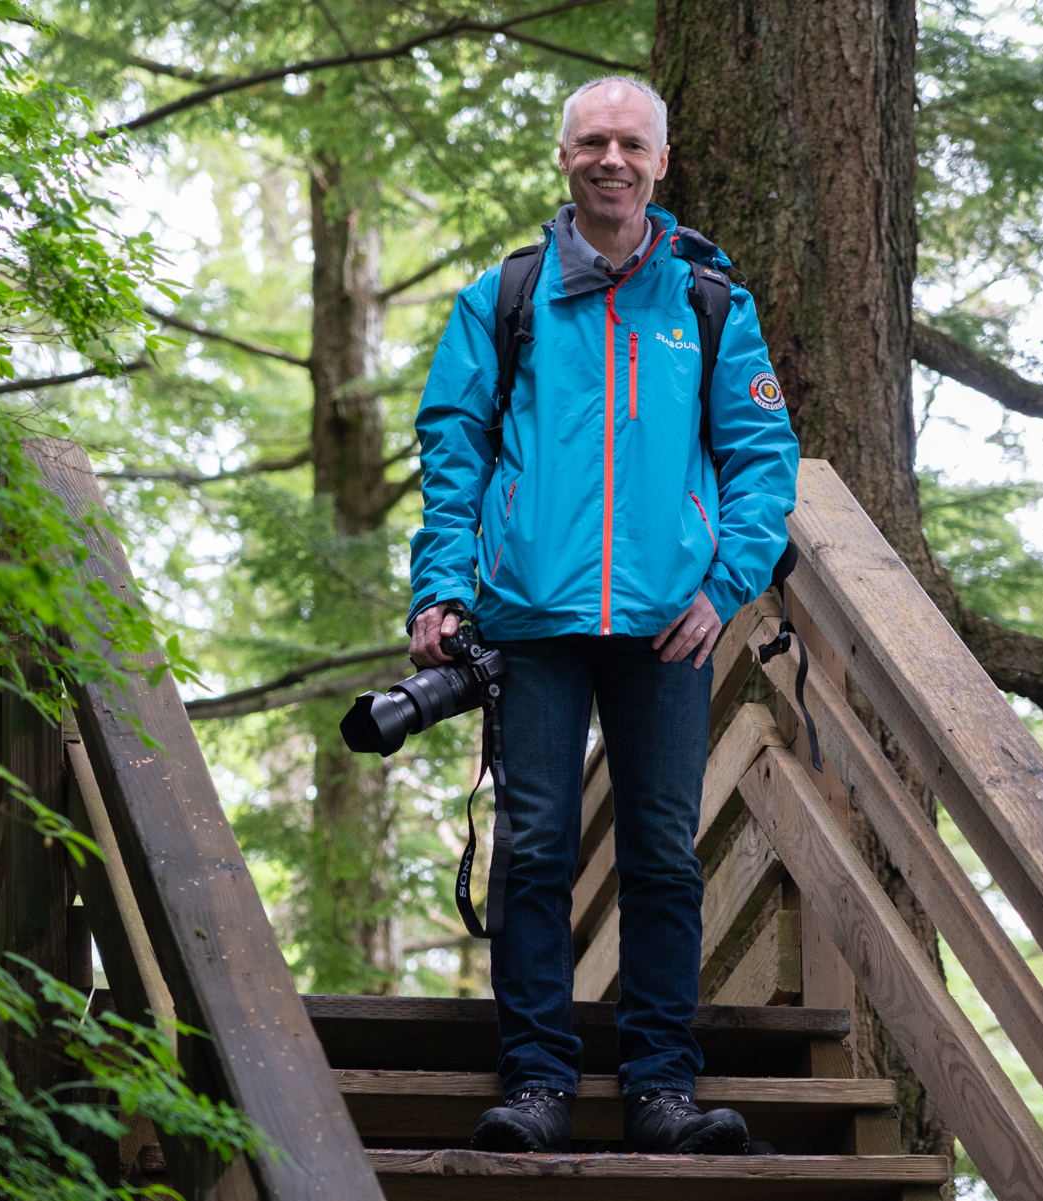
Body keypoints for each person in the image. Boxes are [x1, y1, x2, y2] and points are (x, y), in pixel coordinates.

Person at [407, 75, 800, 1155]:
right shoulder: (507, 295)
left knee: (664, 854)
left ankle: (660, 1088)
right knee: (534, 847)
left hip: (669, 624)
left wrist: (723, 590)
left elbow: (763, 461)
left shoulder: (711, 302)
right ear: (566, 158)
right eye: (593, 143)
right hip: (528, 619)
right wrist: (441, 585)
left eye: (631, 143)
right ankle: (538, 1081)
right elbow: (454, 448)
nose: (611, 159)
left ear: (660, 162)